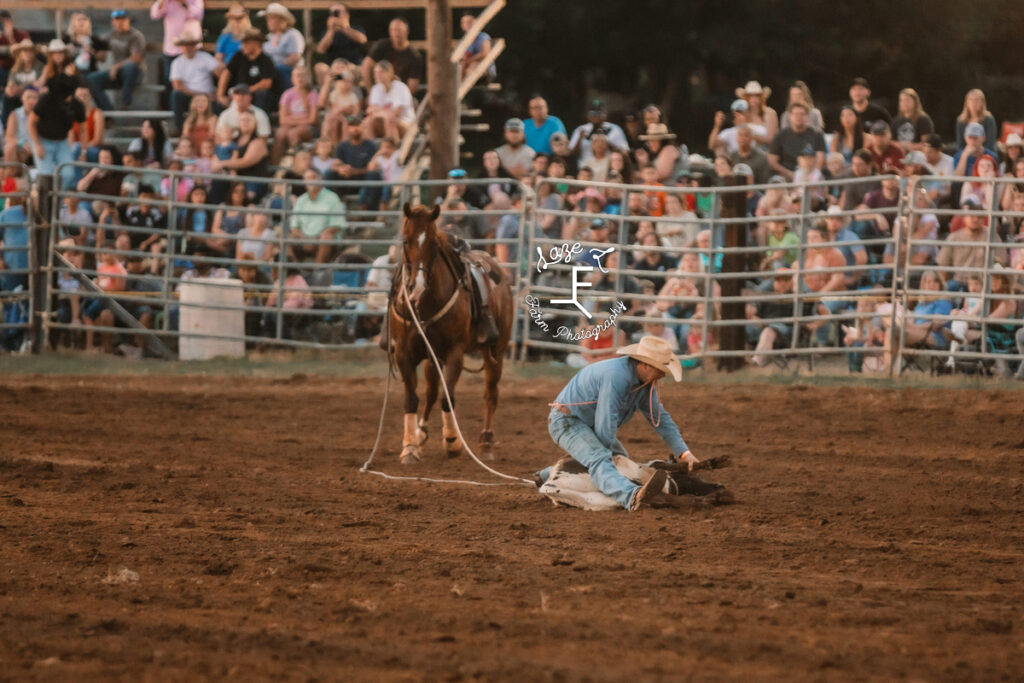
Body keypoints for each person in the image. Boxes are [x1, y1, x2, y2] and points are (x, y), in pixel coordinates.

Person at [535, 336, 701, 511]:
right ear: (644, 365)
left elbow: (661, 420)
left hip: (585, 423)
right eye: (660, 369)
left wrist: (684, 453)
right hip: (568, 421)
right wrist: (608, 457)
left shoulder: (646, 384)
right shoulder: (616, 376)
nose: (663, 374)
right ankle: (632, 496)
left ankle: (546, 475)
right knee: (601, 459)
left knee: (621, 462)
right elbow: (606, 422)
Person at [937, 195, 1008, 289]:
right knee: (946, 289)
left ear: (983, 219)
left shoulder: (992, 236)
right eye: (972, 216)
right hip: (959, 282)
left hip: (983, 283)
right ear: (964, 218)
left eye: (979, 216)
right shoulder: (954, 238)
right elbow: (943, 267)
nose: (975, 219)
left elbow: (1001, 262)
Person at [29, 73, 85, 191]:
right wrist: (37, 145)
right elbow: (31, 122)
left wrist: (84, 150)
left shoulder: (76, 104)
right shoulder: (46, 100)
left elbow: (83, 127)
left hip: (62, 142)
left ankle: (58, 200)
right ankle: (46, 203)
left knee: (68, 174)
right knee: (46, 175)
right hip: (43, 140)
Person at [86, 10, 145, 111]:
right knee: (91, 79)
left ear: (128, 20)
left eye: (122, 20)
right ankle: (108, 112)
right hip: (117, 74)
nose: (119, 23)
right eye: (116, 20)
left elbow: (136, 58)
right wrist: (91, 52)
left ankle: (126, 104)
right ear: (112, 22)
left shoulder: (136, 36)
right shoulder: (111, 35)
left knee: (129, 67)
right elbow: (102, 55)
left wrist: (116, 66)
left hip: (134, 74)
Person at [290, 168, 345, 263]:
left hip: (323, 239)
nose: (310, 181)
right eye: (307, 178)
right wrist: (305, 240)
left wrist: (314, 240)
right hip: (304, 239)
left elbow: (336, 226)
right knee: (285, 238)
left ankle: (317, 274)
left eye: (313, 177)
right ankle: (294, 273)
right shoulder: (301, 200)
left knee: (326, 238)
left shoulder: (332, 198)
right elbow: (294, 226)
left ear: (320, 179)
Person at [169, 29, 218, 133]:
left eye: (190, 44)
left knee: (220, 104)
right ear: (181, 46)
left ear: (195, 45)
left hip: (208, 96)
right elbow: (177, 86)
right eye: (185, 44)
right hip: (190, 96)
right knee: (176, 95)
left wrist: (219, 92)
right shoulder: (177, 62)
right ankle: (179, 128)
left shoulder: (205, 57)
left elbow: (221, 73)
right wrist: (200, 95)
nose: (188, 47)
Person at [218, 28, 276, 112]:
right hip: (238, 91)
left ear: (256, 43)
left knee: (262, 94)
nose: (242, 45)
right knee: (221, 102)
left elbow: (266, 83)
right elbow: (226, 73)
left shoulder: (265, 60)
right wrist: (220, 95)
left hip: (254, 94)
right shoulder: (239, 55)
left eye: (246, 42)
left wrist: (245, 92)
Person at [361, 17, 423, 93]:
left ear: (407, 31)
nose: (396, 33)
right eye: (393, 30)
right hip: (378, 90)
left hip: (399, 93)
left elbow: (413, 85)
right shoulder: (382, 45)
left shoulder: (414, 56)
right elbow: (366, 65)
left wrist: (398, 97)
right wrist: (370, 91)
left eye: (399, 30)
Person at [767, 102, 825, 181]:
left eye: (802, 114)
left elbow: (820, 160)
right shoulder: (780, 135)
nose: (799, 117)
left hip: (810, 176)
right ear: (790, 116)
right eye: (795, 114)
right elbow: (772, 161)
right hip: (786, 175)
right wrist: (788, 173)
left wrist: (812, 176)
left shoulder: (817, 135)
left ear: (807, 116)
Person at [272, 66, 318, 164]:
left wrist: (292, 118)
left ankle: (299, 163)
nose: (300, 78)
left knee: (293, 133)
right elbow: (282, 120)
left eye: (303, 75)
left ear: (307, 77)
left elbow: (313, 120)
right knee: (280, 134)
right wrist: (303, 118)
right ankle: (276, 166)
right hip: (292, 126)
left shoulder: (312, 94)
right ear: (292, 78)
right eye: (297, 75)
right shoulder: (287, 94)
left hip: (307, 129)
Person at [314, 3, 366, 86]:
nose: (336, 15)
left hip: (353, 66)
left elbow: (362, 40)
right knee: (319, 67)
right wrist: (331, 30)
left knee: (357, 69)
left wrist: (344, 28)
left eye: (338, 12)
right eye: (333, 13)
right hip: (333, 67)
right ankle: (326, 96)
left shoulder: (356, 28)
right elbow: (321, 50)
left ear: (347, 14)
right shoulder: (327, 32)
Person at [364, 59, 415, 140]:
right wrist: (385, 113)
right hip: (385, 121)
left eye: (381, 72)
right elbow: (370, 111)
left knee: (390, 120)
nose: (377, 75)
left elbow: (396, 113)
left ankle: (392, 150)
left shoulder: (401, 87)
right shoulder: (376, 88)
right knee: (368, 121)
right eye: (375, 72)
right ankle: (371, 150)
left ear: (389, 73)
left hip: (406, 124)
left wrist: (379, 111)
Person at [260, 2, 305, 93]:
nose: (268, 22)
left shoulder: (293, 34)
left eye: (271, 18)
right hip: (270, 72)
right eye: (267, 19)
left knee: (280, 71)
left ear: (282, 20)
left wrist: (273, 66)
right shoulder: (268, 37)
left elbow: (294, 58)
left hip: (288, 71)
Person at [319, 65, 362, 145]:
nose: (345, 84)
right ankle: (330, 144)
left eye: (347, 82)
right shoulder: (334, 94)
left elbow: (356, 111)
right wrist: (344, 111)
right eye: (343, 81)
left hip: (349, 119)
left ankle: (344, 144)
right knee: (332, 120)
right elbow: (335, 110)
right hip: (338, 117)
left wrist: (346, 114)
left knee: (345, 124)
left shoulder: (352, 95)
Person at [2, 39, 40, 126]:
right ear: (20, 54)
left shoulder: (39, 66)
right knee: (7, 96)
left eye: (30, 51)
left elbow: (38, 84)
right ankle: (7, 126)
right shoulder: (15, 69)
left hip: (34, 94)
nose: (28, 54)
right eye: (25, 51)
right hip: (18, 95)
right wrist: (10, 88)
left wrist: (21, 88)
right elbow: (11, 82)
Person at [734, 80, 777, 145]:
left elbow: (772, 139)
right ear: (746, 97)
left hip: (764, 152)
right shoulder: (742, 114)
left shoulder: (770, 113)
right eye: (750, 95)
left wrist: (753, 137)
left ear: (761, 97)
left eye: (756, 95)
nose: (753, 98)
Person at [457, 12, 495, 82]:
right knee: (460, 66)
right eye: (464, 22)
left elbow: (484, 53)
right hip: (467, 70)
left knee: (472, 65)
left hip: (484, 71)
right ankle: (458, 88)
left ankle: (460, 87)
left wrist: (467, 60)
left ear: (475, 22)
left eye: (469, 22)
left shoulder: (483, 36)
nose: (467, 24)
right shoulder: (463, 41)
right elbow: (461, 57)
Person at [3, 86, 37, 164]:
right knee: (9, 148)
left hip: (39, 148)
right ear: (22, 98)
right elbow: (9, 137)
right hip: (21, 149)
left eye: (34, 97)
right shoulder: (14, 114)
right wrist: (21, 143)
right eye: (28, 97)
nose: (31, 100)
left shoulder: (42, 115)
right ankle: (13, 174)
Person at [0, 10, 31, 90]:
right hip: (3, 69)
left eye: (5, 22)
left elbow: (26, 53)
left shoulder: (22, 34)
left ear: (11, 22)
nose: (3, 26)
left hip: (20, 69)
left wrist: (11, 38)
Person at [921, 134, 954, 205]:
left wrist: (935, 194)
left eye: (930, 152)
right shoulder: (921, 161)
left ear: (939, 150)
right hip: (921, 198)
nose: (926, 156)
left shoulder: (949, 163)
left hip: (941, 200)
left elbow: (949, 191)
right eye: (924, 152)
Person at [215, 3, 251, 69]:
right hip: (228, 68)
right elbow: (218, 58)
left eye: (240, 17)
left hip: (246, 68)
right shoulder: (224, 36)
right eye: (234, 18)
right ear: (230, 19)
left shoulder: (250, 36)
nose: (237, 21)